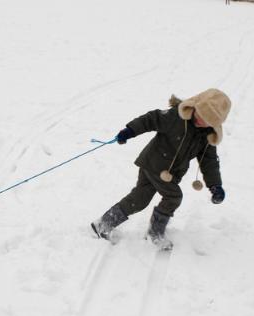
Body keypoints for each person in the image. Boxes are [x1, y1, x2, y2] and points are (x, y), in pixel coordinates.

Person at [91, 88, 231, 249]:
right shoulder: (176, 116)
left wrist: (215, 185)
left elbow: (209, 162)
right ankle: (155, 233)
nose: (201, 120)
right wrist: (130, 131)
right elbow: (151, 119)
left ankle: (103, 224)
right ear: (196, 106)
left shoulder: (207, 137)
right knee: (173, 197)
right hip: (155, 162)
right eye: (200, 114)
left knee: (140, 199)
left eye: (207, 120)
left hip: (167, 171)